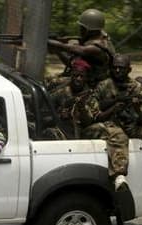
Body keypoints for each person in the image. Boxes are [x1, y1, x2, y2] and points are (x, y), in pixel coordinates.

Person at [96, 54, 142, 195]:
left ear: (129, 70)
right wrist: (115, 104)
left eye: (121, 68)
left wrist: (137, 108)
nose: (118, 71)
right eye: (115, 68)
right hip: (111, 123)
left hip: (132, 124)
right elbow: (97, 110)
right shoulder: (104, 85)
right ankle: (119, 176)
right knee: (119, 137)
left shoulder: (136, 88)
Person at [51, 58, 130, 191]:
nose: (78, 79)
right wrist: (59, 115)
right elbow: (44, 112)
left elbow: (92, 119)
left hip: (82, 132)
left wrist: (82, 108)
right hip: (61, 133)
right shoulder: (60, 92)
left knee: (113, 132)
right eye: (75, 75)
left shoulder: (89, 95)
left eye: (82, 76)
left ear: (86, 78)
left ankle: (118, 174)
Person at [48, 9, 115, 84]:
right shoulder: (99, 37)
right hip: (86, 79)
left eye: (82, 27)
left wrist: (46, 41)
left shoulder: (96, 48)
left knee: (50, 84)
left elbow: (71, 49)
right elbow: (73, 63)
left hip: (94, 85)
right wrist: (59, 47)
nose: (80, 29)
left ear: (87, 29)